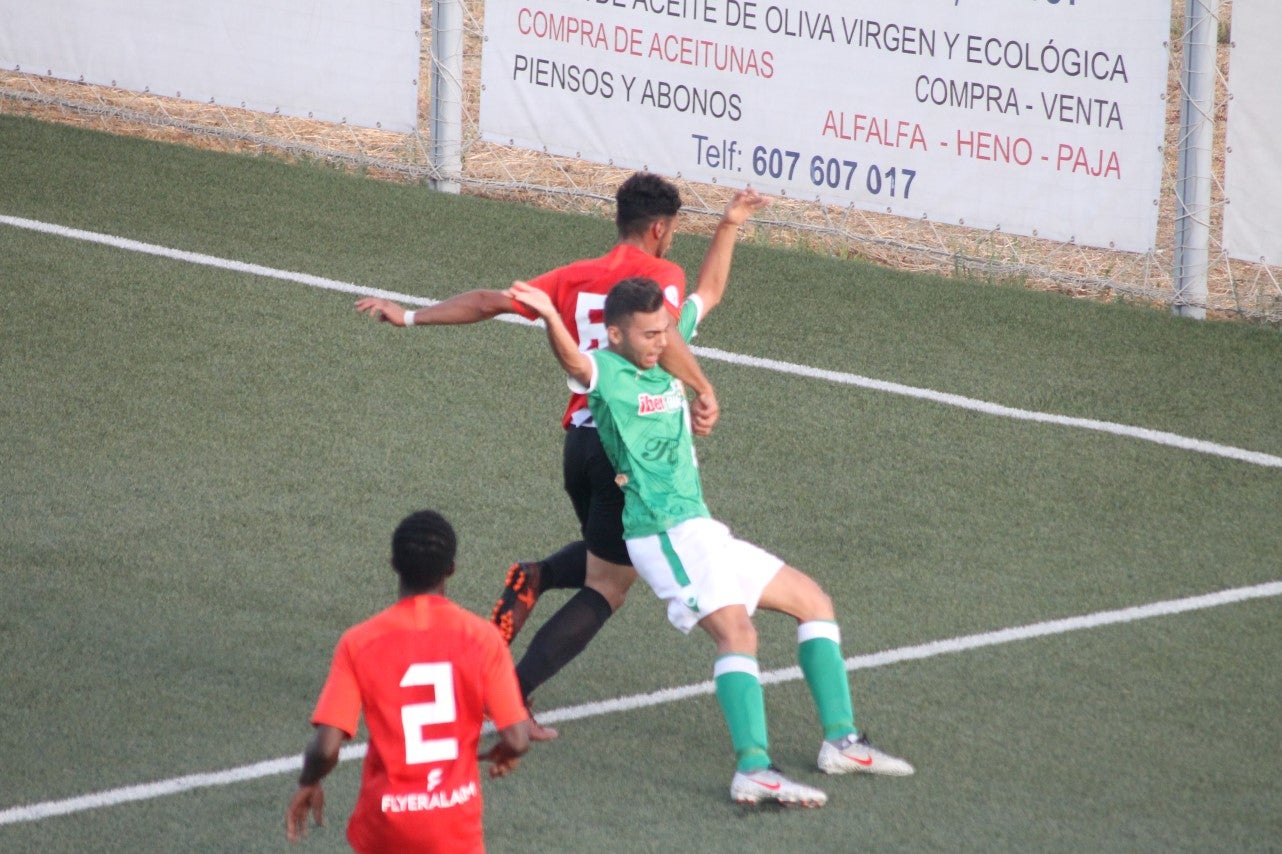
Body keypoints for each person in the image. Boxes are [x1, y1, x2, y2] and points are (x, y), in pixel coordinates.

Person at [354, 174, 768, 738]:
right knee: (608, 587)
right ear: (660, 229)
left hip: (578, 441)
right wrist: (704, 388)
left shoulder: (574, 277)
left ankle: (538, 575)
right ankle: (509, 700)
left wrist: (407, 316)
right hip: (624, 451)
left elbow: (487, 302)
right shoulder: (658, 280)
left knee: (614, 557)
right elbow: (674, 334)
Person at [507, 276, 914, 806]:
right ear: (614, 334)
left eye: (665, 332)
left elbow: (711, 292)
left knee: (814, 602)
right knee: (738, 636)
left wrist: (732, 224)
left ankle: (842, 741)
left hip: (700, 528)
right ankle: (753, 770)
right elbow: (574, 365)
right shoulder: (606, 371)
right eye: (649, 334)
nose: (661, 341)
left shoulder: (662, 356)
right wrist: (550, 320)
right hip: (661, 533)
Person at [285, 510, 530, 851]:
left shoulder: (359, 642)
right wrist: (506, 750)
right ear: (451, 569)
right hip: (455, 829)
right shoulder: (483, 638)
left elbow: (326, 748)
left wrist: (309, 780)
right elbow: (517, 739)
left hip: (384, 829)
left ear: (393, 564)